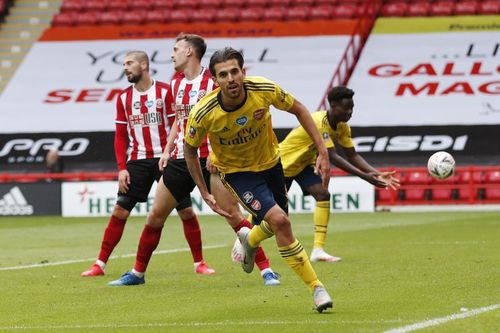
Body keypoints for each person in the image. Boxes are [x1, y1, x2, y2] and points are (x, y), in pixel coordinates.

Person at [108, 34, 280, 287]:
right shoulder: (175, 83)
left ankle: (267, 270)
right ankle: (137, 273)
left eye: (175, 49)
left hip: (210, 160)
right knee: (155, 216)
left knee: (232, 214)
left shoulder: (213, 82)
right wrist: (167, 149)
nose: (171, 54)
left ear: (189, 52)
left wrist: (215, 152)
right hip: (180, 159)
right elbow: (180, 119)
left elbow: (224, 117)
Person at [184, 47, 346, 312]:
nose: (231, 79)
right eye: (223, 75)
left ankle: (250, 238)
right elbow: (189, 150)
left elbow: (300, 110)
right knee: (280, 221)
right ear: (215, 81)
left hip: (272, 164)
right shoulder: (204, 112)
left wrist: (322, 151)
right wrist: (203, 191)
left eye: (235, 71)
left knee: (276, 223)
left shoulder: (263, 89)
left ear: (243, 71)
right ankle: (317, 288)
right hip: (238, 174)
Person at [81, 50, 215, 278]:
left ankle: (199, 263)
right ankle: (100, 264)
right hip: (138, 161)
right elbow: (120, 135)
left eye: (129, 63)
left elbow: (179, 124)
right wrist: (122, 167)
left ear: (143, 65)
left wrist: (169, 152)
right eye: (124, 64)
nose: (125, 68)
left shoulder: (165, 91)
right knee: (120, 210)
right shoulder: (123, 98)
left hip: (167, 159)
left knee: (186, 211)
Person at [278, 86, 399, 262]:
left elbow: (352, 155)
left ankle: (318, 250)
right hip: (282, 165)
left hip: (303, 165)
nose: (350, 112)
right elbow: (332, 156)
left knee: (322, 194)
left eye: (352, 108)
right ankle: (244, 236)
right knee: (273, 211)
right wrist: (366, 177)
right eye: (346, 108)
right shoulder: (319, 122)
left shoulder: (342, 127)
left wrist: (376, 173)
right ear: (333, 105)